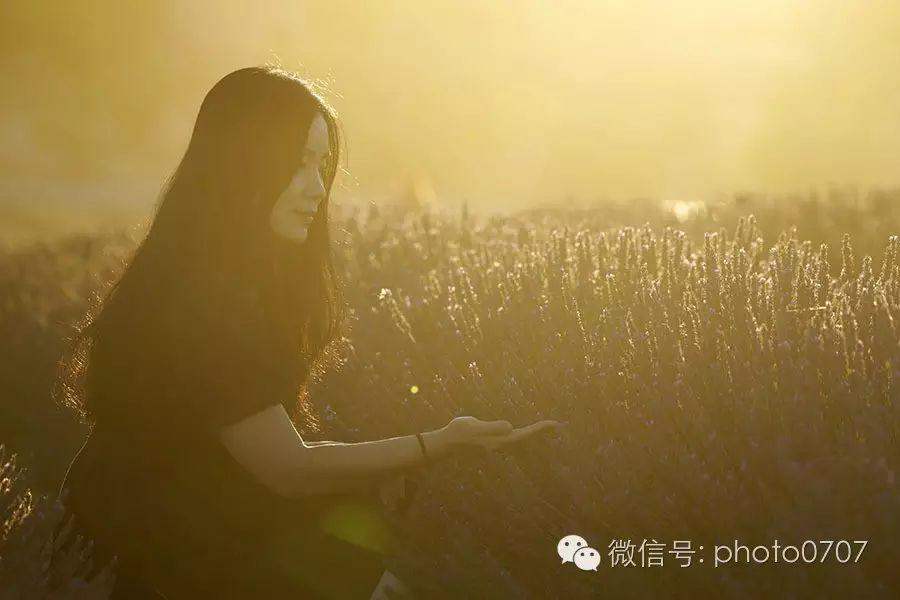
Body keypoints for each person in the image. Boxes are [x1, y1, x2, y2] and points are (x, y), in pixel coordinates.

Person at [53, 66, 564, 599]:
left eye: (321, 166)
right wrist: (437, 444)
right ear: (243, 164)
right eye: (296, 164)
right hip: (156, 562)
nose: (316, 188)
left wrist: (394, 465)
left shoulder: (213, 277)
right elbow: (289, 469)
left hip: (179, 539)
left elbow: (263, 450)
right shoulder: (200, 299)